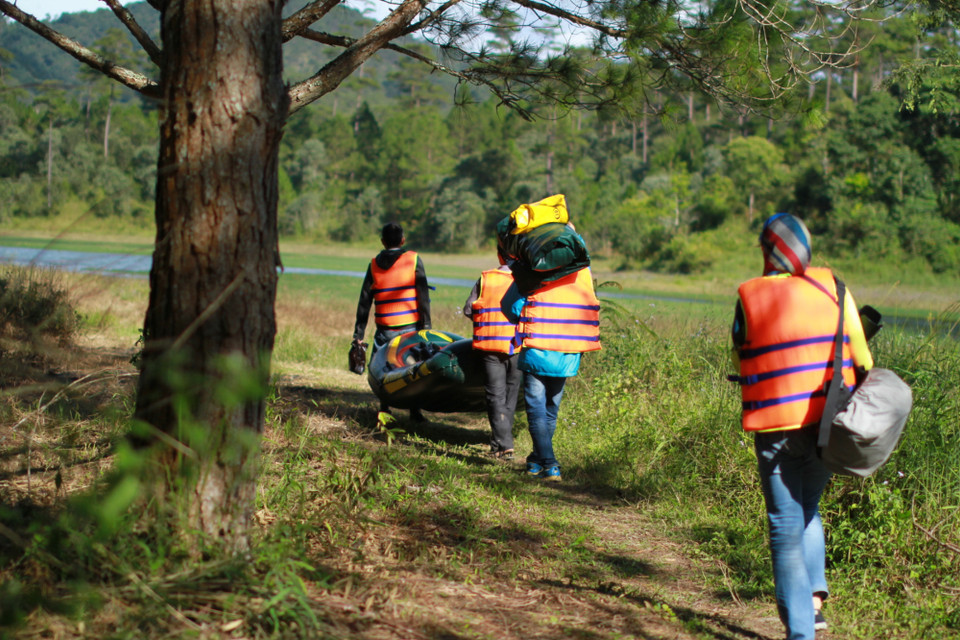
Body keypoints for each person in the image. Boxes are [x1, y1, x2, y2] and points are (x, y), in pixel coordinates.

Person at [730, 213, 873, 640]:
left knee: (784, 524)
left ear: (765, 251)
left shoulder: (750, 296)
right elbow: (863, 361)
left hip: (776, 428)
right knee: (808, 508)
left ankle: (801, 633)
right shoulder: (836, 288)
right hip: (830, 425)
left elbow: (741, 357)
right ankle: (813, 605)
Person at [501, 259, 601, 481]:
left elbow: (511, 305)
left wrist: (527, 319)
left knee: (536, 408)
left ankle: (550, 463)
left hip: (538, 345)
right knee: (550, 409)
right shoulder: (583, 270)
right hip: (568, 349)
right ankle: (535, 461)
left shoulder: (533, 267)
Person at [353, 222, 432, 421]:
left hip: (384, 328)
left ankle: (384, 408)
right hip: (409, 326)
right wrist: (427, 326)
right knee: (413, 367)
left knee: (384, 368)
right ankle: (415, 411)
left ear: (382, 242)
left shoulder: (373, 264)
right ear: (402, 240)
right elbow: (423, 295)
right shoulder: (413, 259)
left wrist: (359, 334)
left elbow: (364, 301)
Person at [463, 251, 523, 460]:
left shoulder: (486, 277)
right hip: (517, 347)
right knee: (510, 395)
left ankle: (503, 444)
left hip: (490, 346)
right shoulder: (526, 279)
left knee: (495, 396)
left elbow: (469, 309)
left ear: (500, 257)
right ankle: (501, 443)